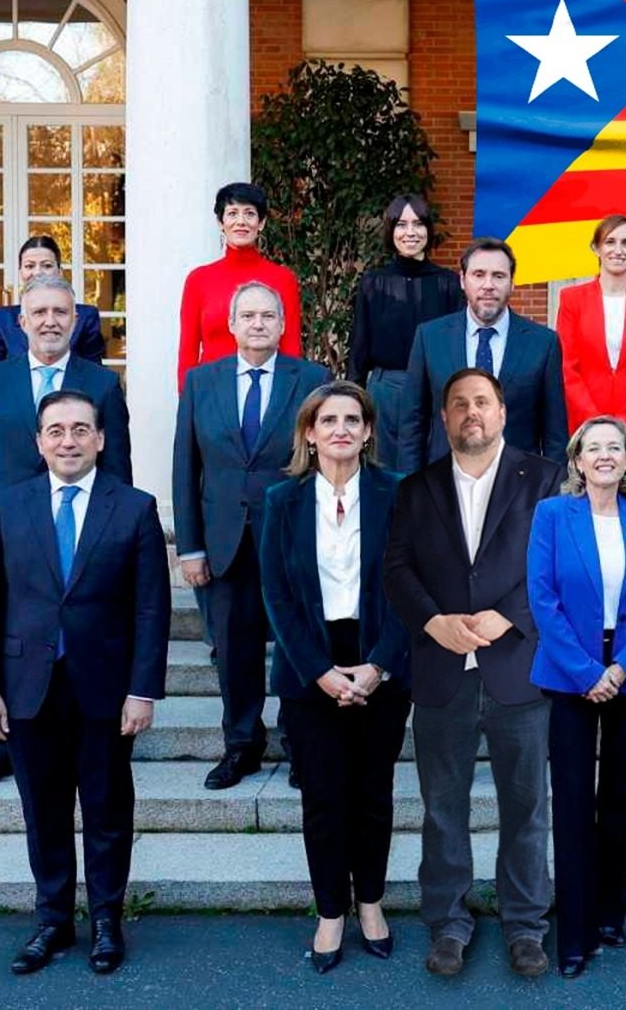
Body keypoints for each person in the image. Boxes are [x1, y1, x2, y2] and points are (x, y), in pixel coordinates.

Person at [0, 389, 168, 976]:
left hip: (105, 690)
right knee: (43, 811)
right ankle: (52, 920)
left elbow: (151, 609)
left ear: (101, 439)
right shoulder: (9, 503)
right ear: (39, 442)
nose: (69, 440)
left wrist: (142, 689)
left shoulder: (133, 507)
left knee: (106, 811)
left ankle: (106, 919)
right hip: (27, 689)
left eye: (81, 429)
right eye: (56, 430)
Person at [383, 368, 567, 980]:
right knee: (442, 807)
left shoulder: (543, 480)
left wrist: (508, 617)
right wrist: (432, 622)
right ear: (444, 418)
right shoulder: (416, 488)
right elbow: (398, 567)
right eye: (459, 404)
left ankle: (525, 924)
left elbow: (559, 566)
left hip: (517, 670)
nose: (471, 413)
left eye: (482, 402)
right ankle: (448, 922)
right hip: (442, 672)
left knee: (525, 807)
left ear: (502, 412)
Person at [0, 274, 132, 793]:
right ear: (21, 322)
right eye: (40, 313)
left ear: (75, 321)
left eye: (61, 312)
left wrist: (118, 532)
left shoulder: (100, 383)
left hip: (80, 526)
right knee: (8, 628)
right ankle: (0, 750)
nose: (50, 321)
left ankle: (92, 729)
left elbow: (117, 463)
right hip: (8, 531)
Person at [259, 380, 410, 974]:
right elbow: (276, 593)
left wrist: (378, 665)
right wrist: (319, 671)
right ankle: (330, 912)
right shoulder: (282, 500)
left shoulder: (398, 495)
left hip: (381, 658)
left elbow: (410, 587)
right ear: (310, 433)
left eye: (353, 418)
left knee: (373, 795)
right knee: (323, 799)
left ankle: (370, 902)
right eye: (328, 420)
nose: (341, 428)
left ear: (369, 431)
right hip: (310, 666)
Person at [529, 416, 626, 978]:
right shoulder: (552, 516)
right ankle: (574, 932)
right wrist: (590, 671)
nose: (606, 456)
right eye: (596, 448)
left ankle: (610, 914)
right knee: (570, 806)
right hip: (570, 676)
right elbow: (543, 599)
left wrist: (620, 669)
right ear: (579, 461)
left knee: (618, 800)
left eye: (616, 447)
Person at [174, 282, 331, 789]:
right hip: (225, 541)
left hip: (290, 539)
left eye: (268, 315)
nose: (258, 323)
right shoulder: (202, 382)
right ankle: (241, 745)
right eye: (248, 315)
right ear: (232, 324)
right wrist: (190, 546)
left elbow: (325, 460)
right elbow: (186, 468)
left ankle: (301, 744)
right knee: (234, 649)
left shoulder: (311, 379)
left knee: (294, 643)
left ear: (283, 326)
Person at [400, 238, 567, 468]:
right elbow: (412, 424)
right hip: (444, 484)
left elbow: (555, 434)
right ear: (462, 280)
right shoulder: (430, 338)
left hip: (519, 487)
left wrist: (551, 494)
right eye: (478, 274)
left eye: (498, 276)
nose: (488, 284)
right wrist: (411, 491)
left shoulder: (543, 343)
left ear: (512, 283)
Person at [348, 194, 464, 469]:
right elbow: (360, 345)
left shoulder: (448, 284)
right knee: (384, 472)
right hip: (387, 391)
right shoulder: (373, 282)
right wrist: (351, 399)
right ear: (391, 231)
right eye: (401, 224)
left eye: (418, 224)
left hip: (436, 389)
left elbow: (456, 346)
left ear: (428, 230)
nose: (410, 232)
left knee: (434, 474)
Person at [556, 215, 626, 454]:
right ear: (596, 248)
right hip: (584, 430)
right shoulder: (572, 299)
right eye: (610, 242)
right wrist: (596, 425)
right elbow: (567, 367)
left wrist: (625, 424)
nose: (618, 250)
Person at [177, 182, 304, 386]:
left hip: (267, 391)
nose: (241, 222)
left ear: (261, 222)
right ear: (221, 222)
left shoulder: (283, 279)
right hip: (212, 392)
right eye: (232, 213)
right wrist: (187, 405)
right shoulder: (198, 279)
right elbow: (187, 353)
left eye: (249, 213)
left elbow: (291, 349)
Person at [0, 236, 107, 362]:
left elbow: (94, 371)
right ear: (21, 272)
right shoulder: (2, 319)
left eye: (47, 266)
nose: (37, 272)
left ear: (59, 272)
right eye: (29, 266)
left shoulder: (86, 317)